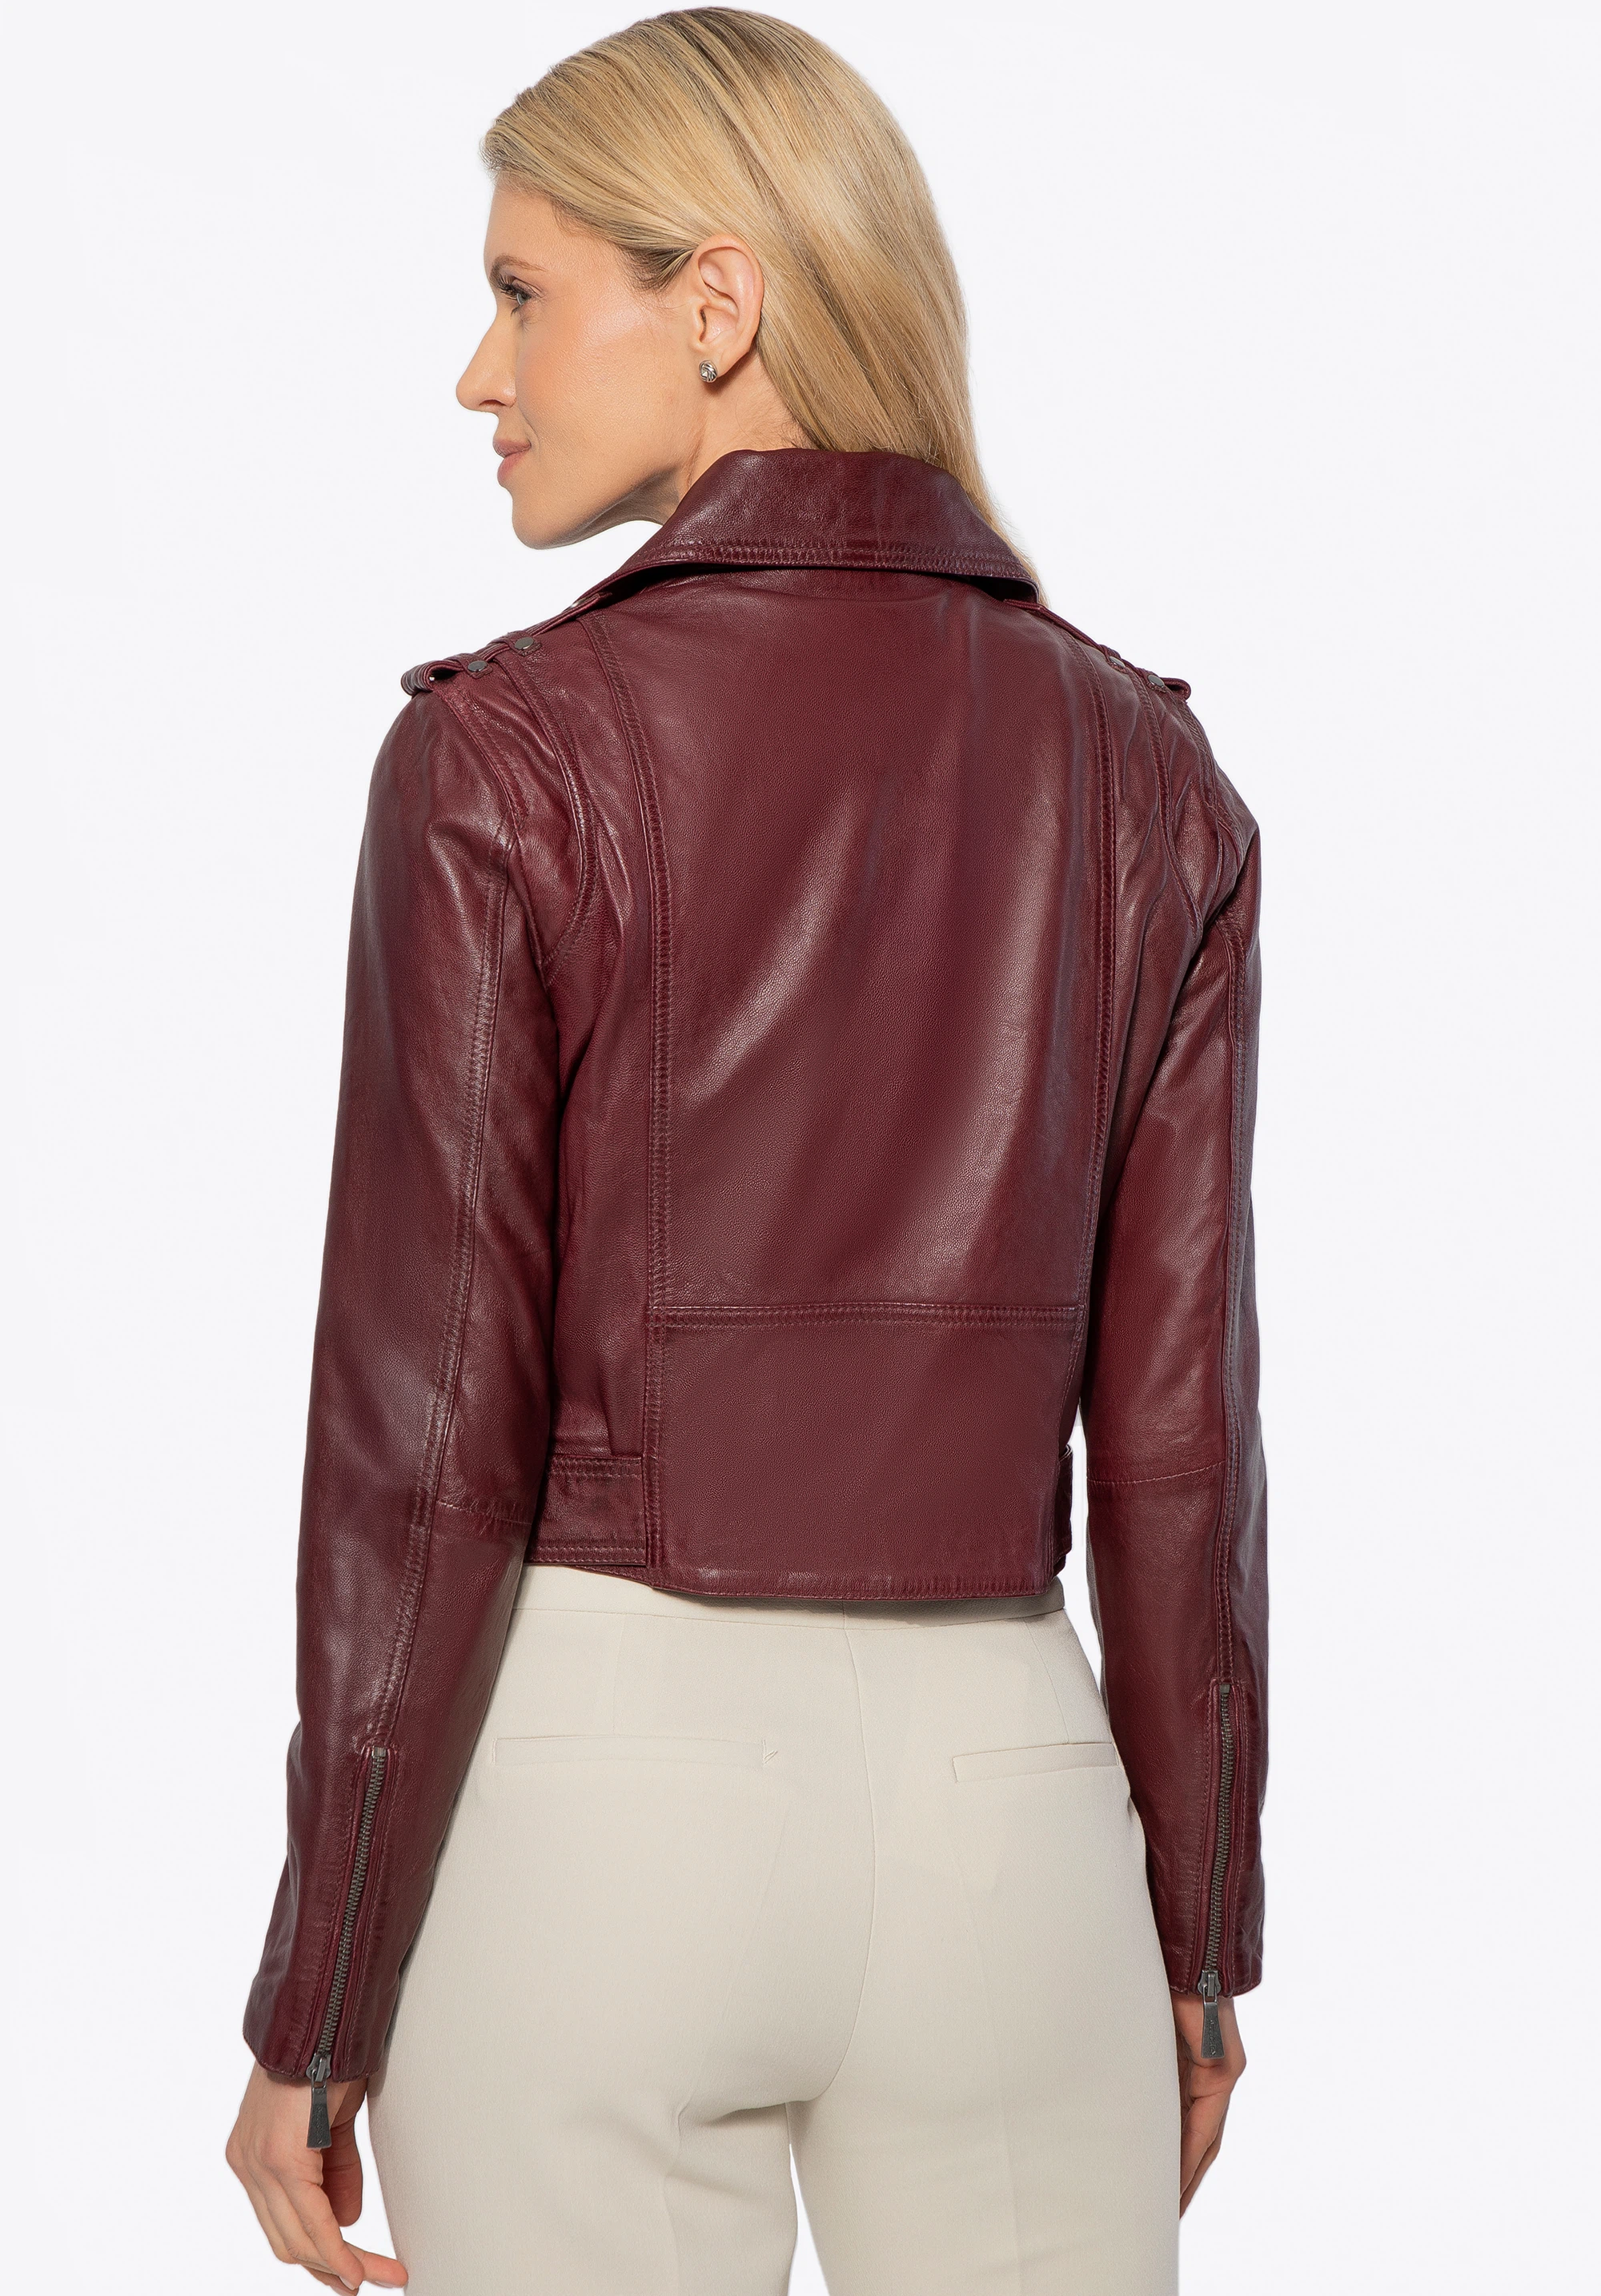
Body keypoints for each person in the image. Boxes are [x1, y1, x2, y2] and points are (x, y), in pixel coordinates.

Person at [225, 10, 1265, 2291]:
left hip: (600, 1805)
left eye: (521, 294)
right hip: (1015, 1826)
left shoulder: (507, 758)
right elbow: (1184, 1439)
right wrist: (1199, 1942)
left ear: (719, 302)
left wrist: (321, 1987)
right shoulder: (1149, 780)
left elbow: (426, 1426)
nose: (479, 376)